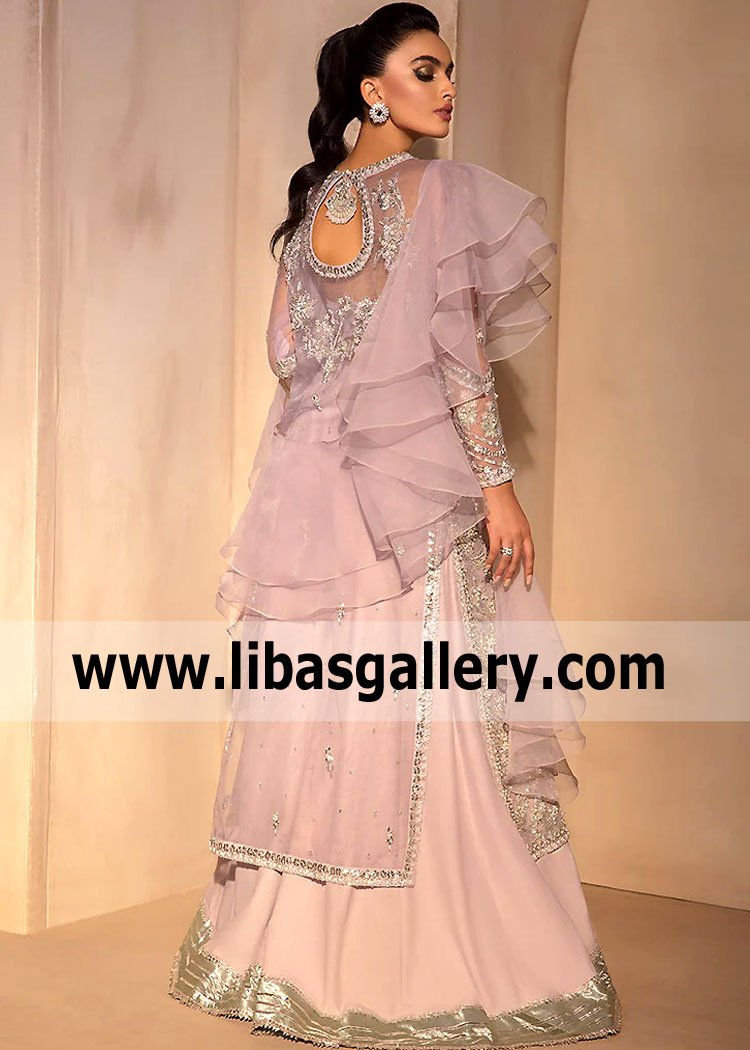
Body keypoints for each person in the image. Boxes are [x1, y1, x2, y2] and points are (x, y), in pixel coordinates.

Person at [168, 4, 624, 1046]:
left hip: (311, 497)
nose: (448, 87)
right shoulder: (438, 191)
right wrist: (498, 486)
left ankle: (283, 954)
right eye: (426, 70)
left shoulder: (313, 206)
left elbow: (287, 356)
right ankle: (423, 960)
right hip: (408, 496)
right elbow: (459, 358)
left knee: (318, 707)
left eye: (449, 69)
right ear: (374, 91)